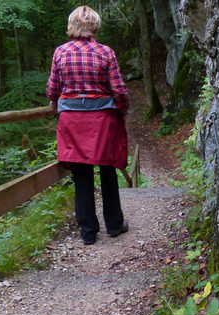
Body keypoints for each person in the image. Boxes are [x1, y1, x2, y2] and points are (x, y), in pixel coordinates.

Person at [46, 5, 129, 245]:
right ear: (94, 26)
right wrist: (122, 110)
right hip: (102, 118)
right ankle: (114, 225)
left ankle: (88, 232)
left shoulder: (60, 52)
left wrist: (56, 103)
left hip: (72, 120)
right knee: (107, 168)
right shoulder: (105, 52)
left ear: (72, 25)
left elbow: (53, 89)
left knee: (81, 173)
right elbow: (120, 90)